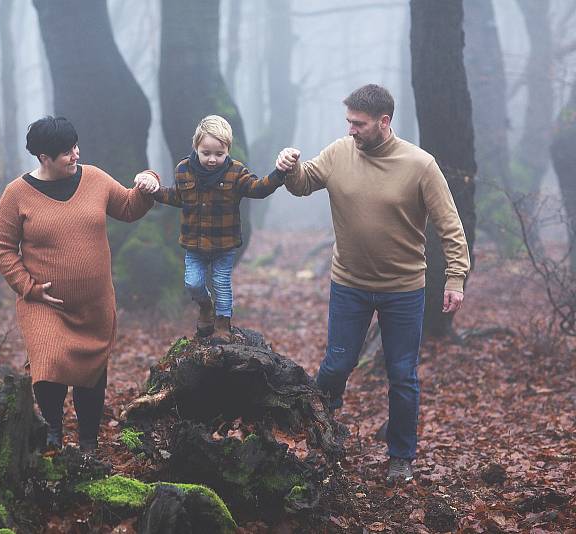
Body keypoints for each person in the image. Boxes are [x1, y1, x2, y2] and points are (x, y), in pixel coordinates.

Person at [276, 84, 470, 484]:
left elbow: (449, 225)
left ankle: (401, 457)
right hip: (349, 283)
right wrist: (288, 166)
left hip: (404, 289)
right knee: (337, 364)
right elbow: (302, 183)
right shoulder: (338, 153)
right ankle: (318, 437)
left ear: (384, 122)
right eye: (348, 121)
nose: (351, 130)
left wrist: (454, 277)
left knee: (402, 375)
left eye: (358, 124)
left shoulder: (419, 165)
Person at [0, 116, 159, 453]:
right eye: (67, 152)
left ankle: (87, 441)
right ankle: (53, 429)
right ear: (43, 158)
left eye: (75, 147)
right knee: (48, 366)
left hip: (94, 305)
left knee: (92, 374)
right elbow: (2, 247)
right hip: (44, 304)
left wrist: (147, 183)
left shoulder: (95, 179)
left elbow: (128, 207)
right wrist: (28, 286)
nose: (76, 155)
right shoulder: (17, 194)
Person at [141, 115, 285, 342]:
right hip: (194, 244)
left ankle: (223, 324)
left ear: (228, 149)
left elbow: (257, 188)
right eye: (206, 153)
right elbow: (177, 197)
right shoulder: (183, 170)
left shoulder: (236, 172)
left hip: (224, 244)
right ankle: (205, 307)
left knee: (221, 282)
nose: (212, 159)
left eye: (219, 154)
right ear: (196, 147)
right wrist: (154, 190)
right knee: (193, 283)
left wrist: (280, 174)